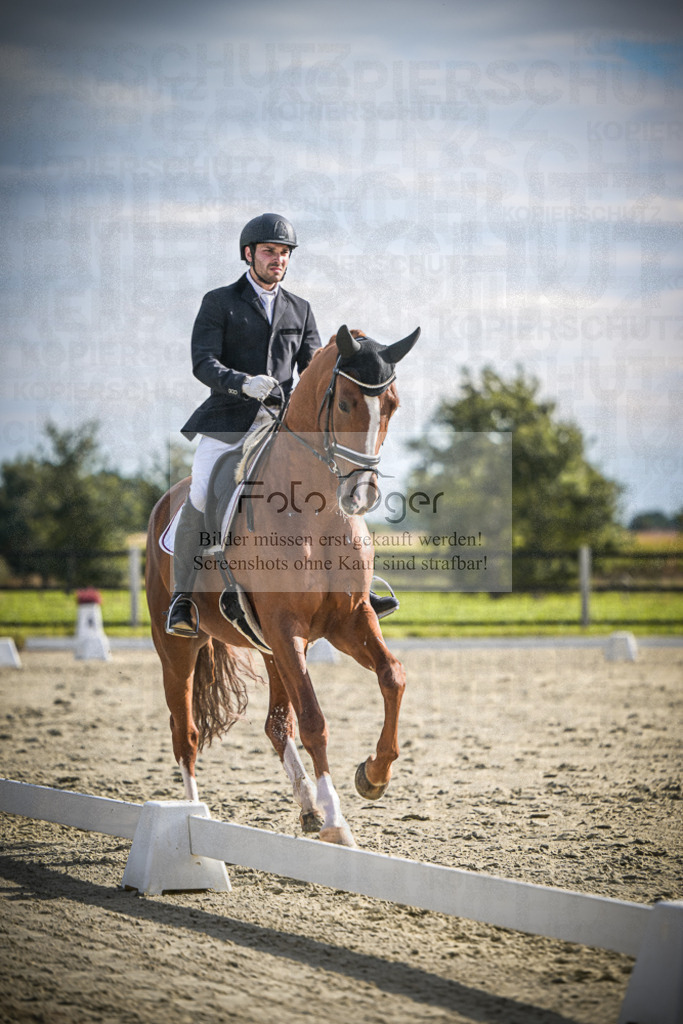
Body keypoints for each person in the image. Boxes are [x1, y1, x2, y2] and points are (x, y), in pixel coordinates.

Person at [166, 213, 321, 636]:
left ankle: (350, 589)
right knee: (200, 491)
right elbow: (203, 362)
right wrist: (242, 384)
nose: (279, 259)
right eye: (271, 251)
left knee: (329, 482)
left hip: (282, 425)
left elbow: (313, 370)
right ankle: (184, 597)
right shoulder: (219, 301)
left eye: (285, 253)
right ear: (249, 254)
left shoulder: (300, 309)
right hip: (229, 420)